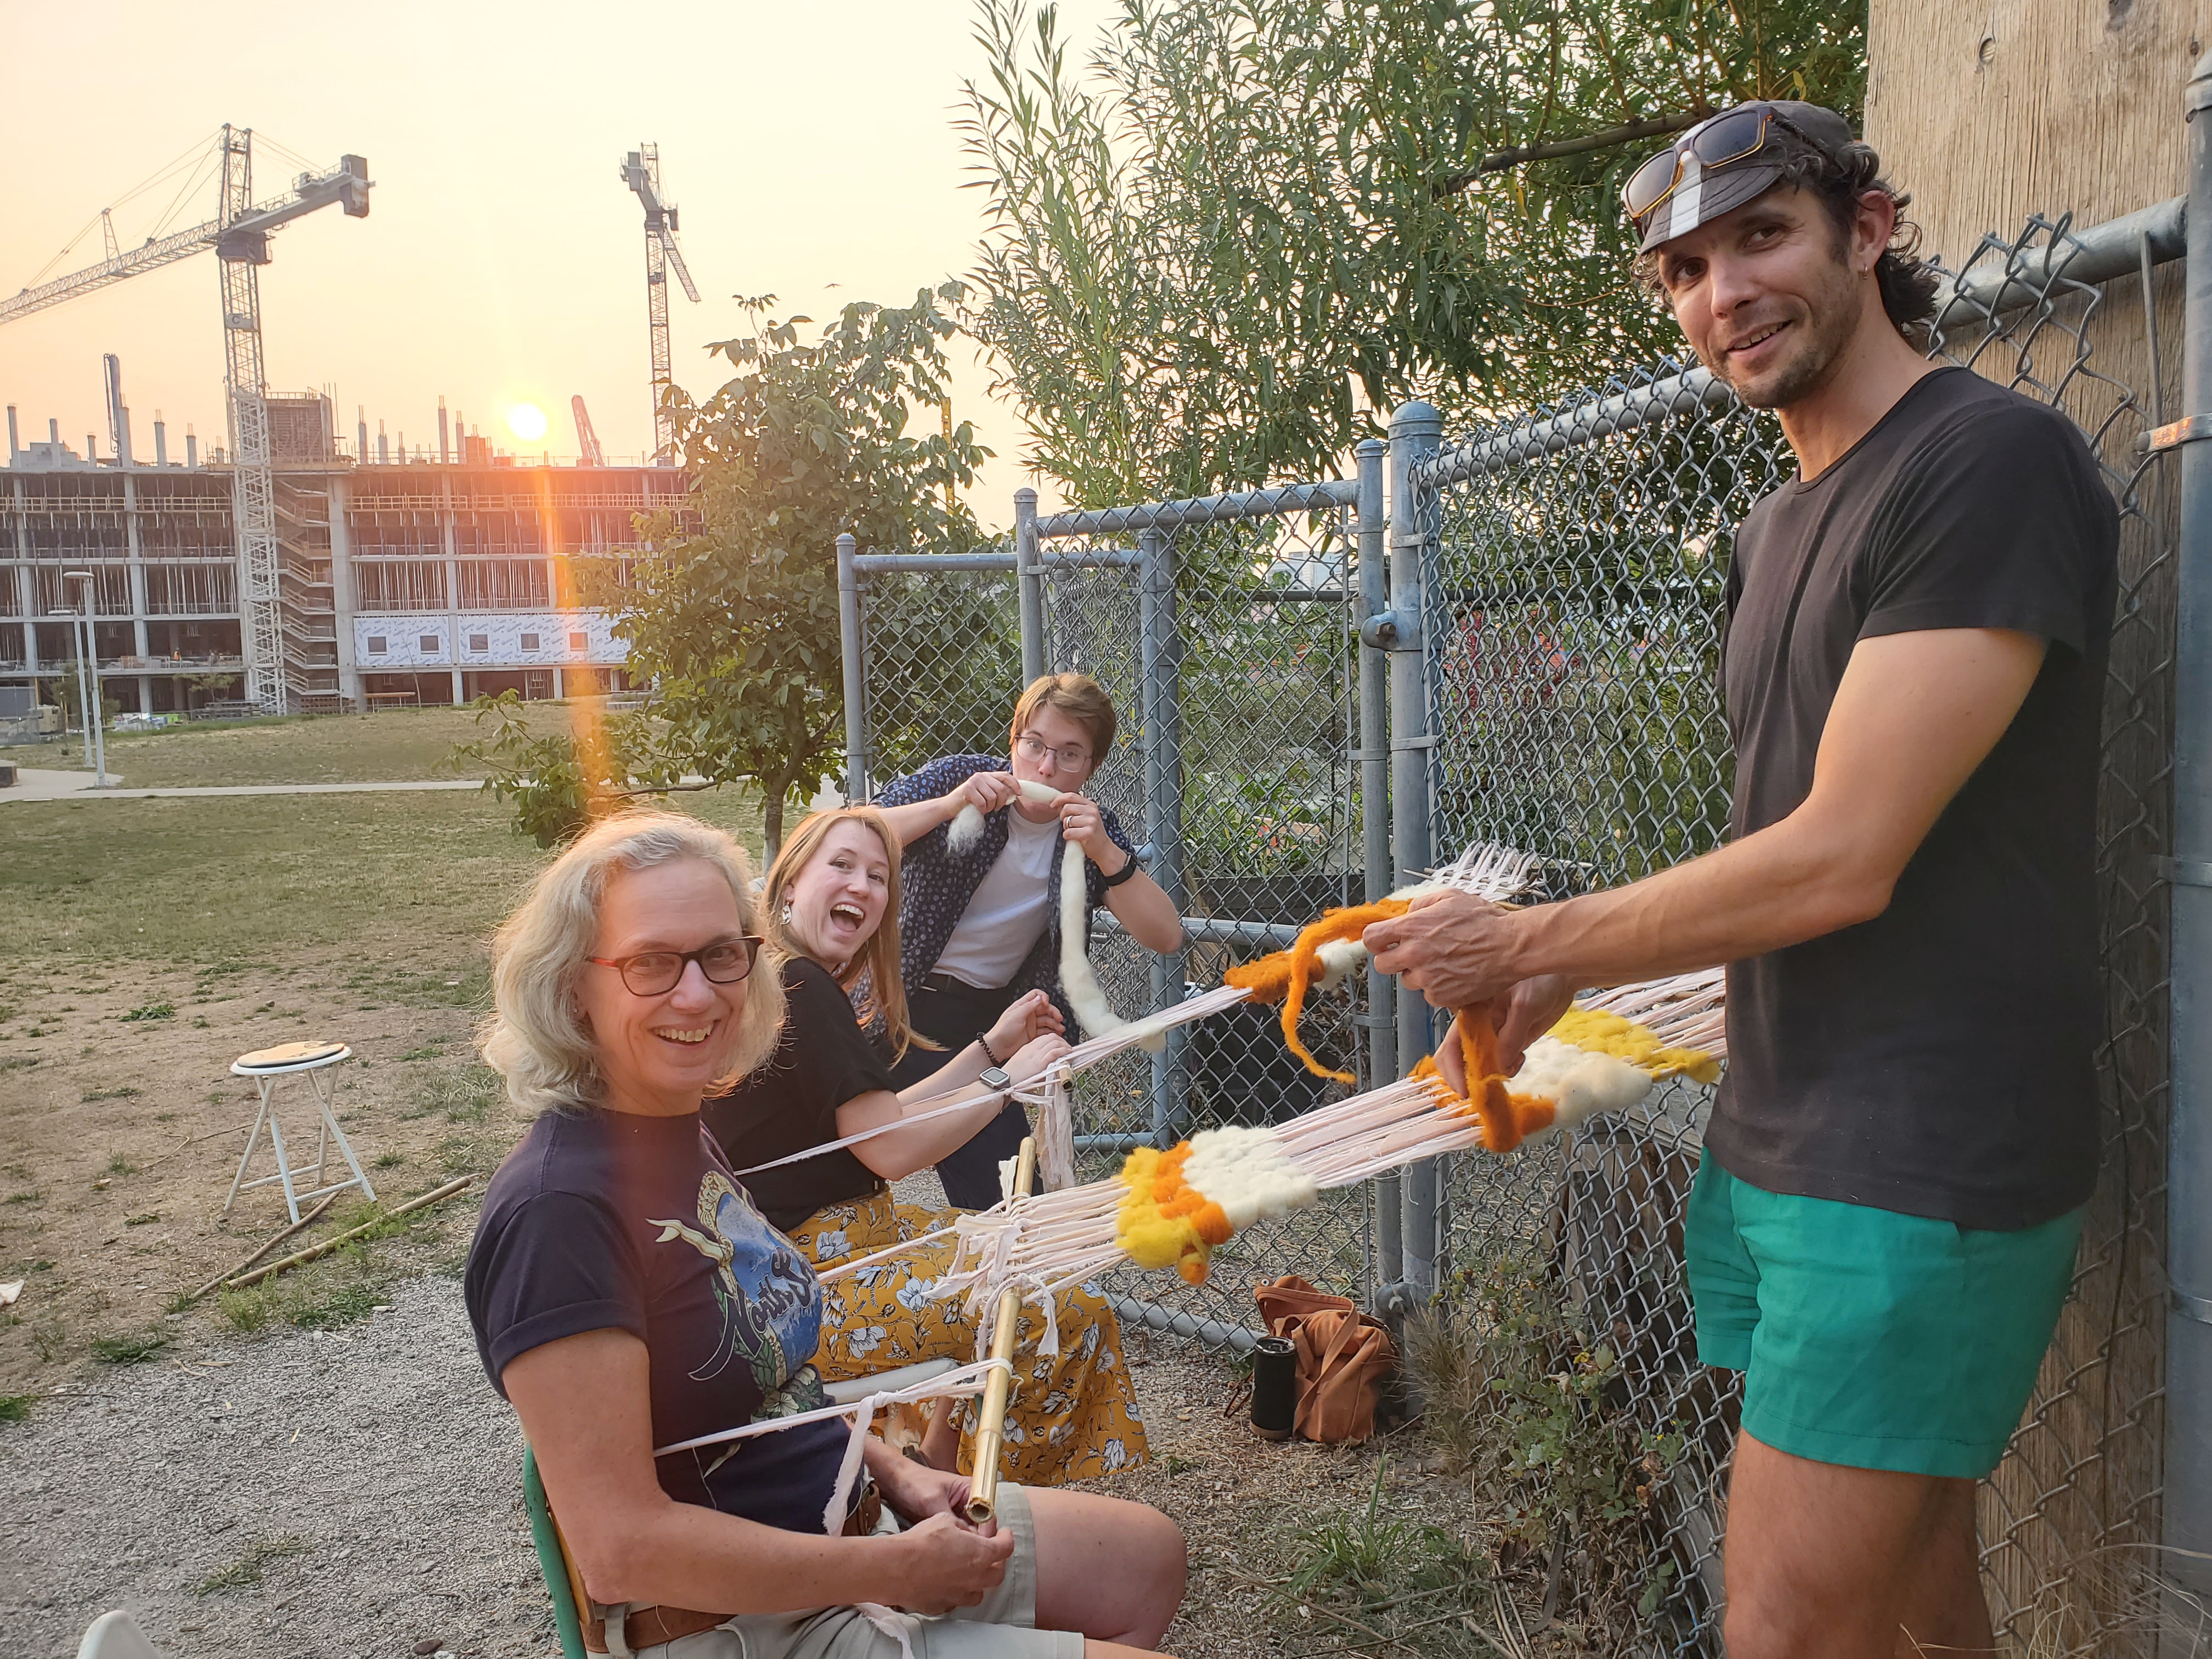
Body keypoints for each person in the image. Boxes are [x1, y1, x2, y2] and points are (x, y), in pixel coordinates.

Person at [1364, 103, 2118, 1659]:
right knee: (1916, 1611)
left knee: (1779, 1631)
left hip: (1917, 1162)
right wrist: (1563, 968)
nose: (1726, 294)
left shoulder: (1986, 462)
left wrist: (1532, 934)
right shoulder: (1772, 532)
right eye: (1686, 270)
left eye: (1763, 236)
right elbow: (1777, 849)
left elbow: (1845, 854)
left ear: (1869, 230)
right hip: (1781, 1137)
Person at [463, 810, 1186, 1659]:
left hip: (853, 1528)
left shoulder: (675, 1133)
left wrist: (899, 1472)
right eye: (651, 963)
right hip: (744, 1623)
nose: (697, 995)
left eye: (721, 954)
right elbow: (619, 1550)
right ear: (572, 986)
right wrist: (896, 1571)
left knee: (1147, 1562)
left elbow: (776, 1389)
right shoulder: (557, 1214)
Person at [704, 805, 1150, 1481]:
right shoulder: (802, 986)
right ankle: (990, 1504)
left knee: (1015, 1247)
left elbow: (880, 1120)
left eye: (878, 877)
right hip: (804, 1288)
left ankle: (938, 1466)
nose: (862, 886)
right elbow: (890, 1150)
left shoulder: (785, 978)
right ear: (790, 882)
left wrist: (991, 1049)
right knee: (1061, 1308)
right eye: (842, 865)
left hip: (800, 1263)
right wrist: (1008, 1083)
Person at [874, 674, 1184, 1208]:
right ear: (1013, 740)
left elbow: (1166, 935)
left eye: (1070, 755)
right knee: (830, 1155)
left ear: (1091, 767)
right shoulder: (961, 779)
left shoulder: (1090, 830)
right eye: (1034, 745)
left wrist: (1107, 853)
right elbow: (850, 833)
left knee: (1012, 1202)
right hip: (889, 1001)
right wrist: (949, 806)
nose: (1045, 768)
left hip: (983, 1027)